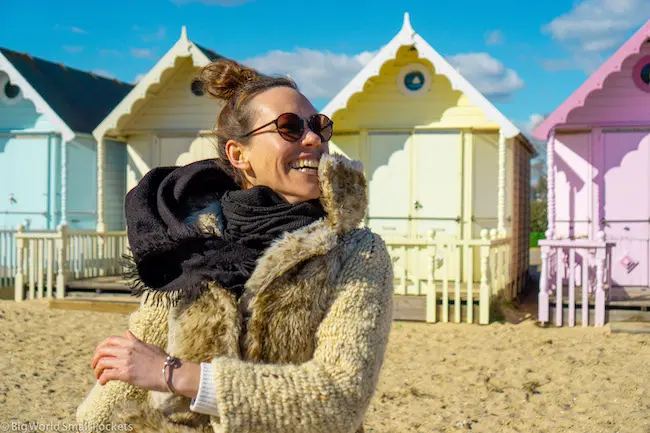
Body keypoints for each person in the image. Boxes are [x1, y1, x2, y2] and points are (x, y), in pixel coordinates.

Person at [76, 58, 394, 433]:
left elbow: (339, 400)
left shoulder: (357, 251)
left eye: (319, 125)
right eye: (289, 127)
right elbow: (132, 367)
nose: (313, 139)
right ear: (238, 154)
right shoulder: (190, 240)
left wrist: (174, 375)